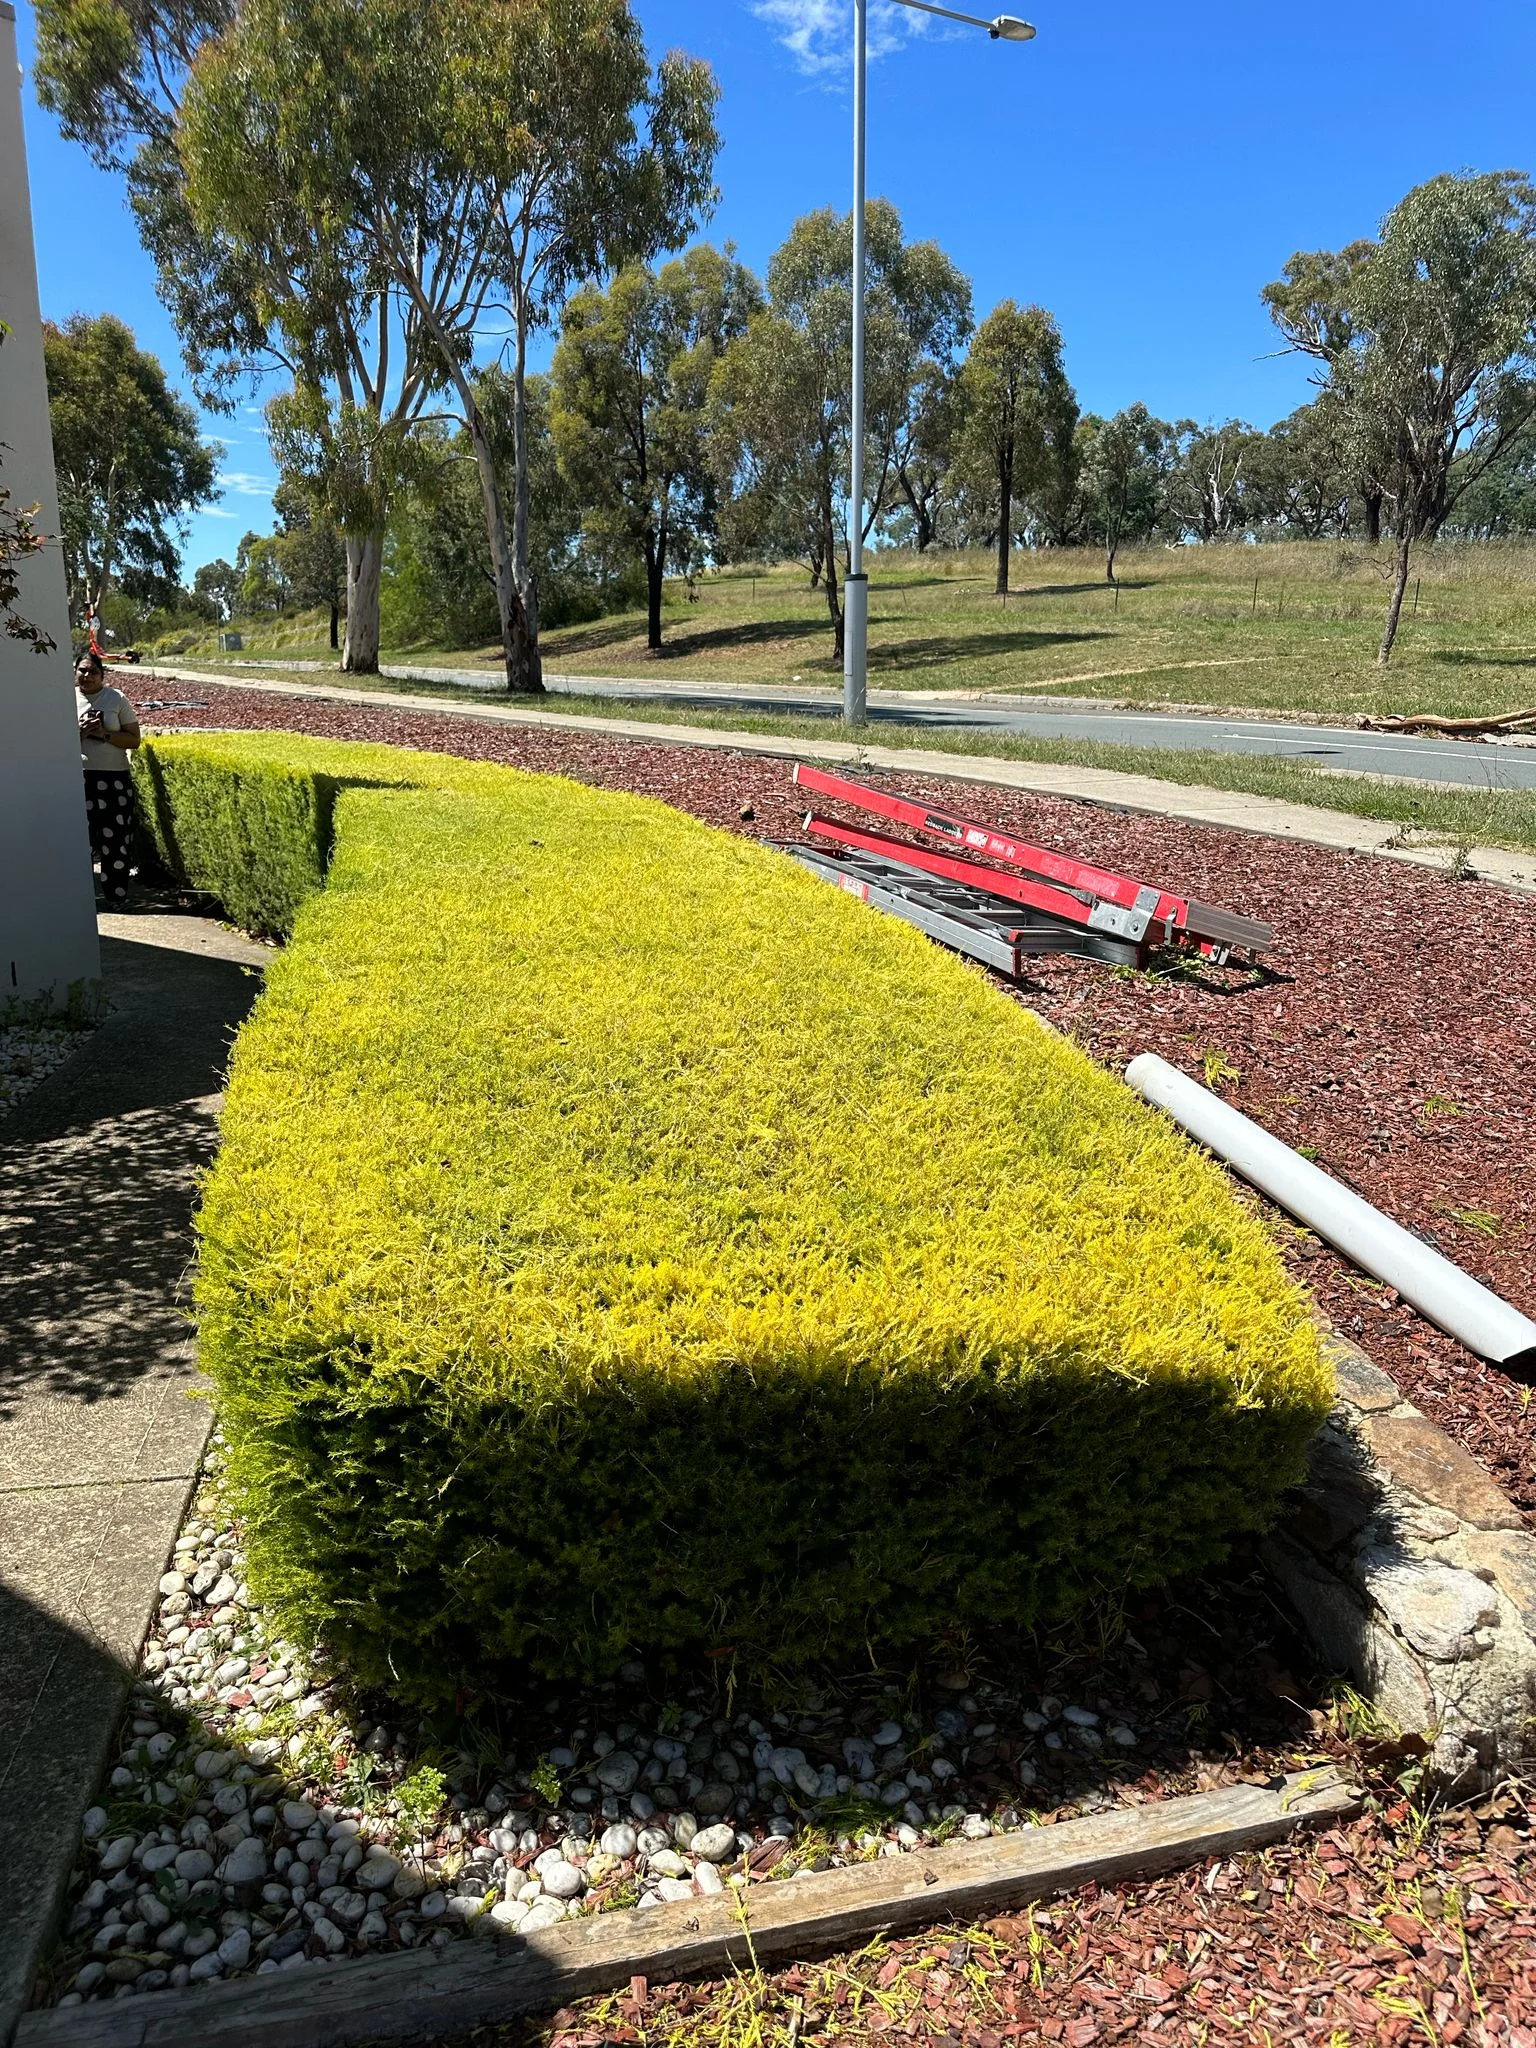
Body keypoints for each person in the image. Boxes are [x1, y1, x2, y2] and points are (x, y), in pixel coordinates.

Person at [75, 650, 142, 904]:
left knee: (115, 842)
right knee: (78, 840)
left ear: (102, 675)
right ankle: (81, 899)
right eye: (82, 670)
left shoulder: (116, 699)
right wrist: (78, 732)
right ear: (75, 672)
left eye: (93, 671)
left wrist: (103, 733)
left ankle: (116, 896)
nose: (87, 675)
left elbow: (134, 739)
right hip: (78, 779)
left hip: (114, 780)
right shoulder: (64, 699)